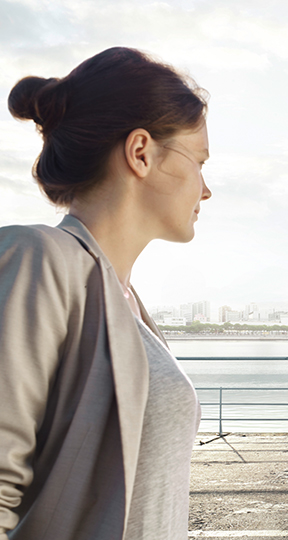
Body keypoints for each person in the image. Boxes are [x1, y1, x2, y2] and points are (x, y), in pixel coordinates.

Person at [0, 47, 212, 540]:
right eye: (199, 160)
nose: (205, 190)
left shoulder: (126, 302)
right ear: (141, 152)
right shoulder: (39, 258)